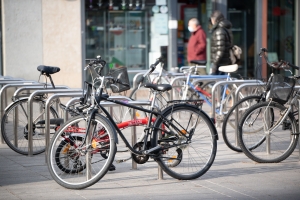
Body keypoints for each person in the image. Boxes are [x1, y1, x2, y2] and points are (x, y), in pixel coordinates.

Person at [210, 10, 233, 75]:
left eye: (212, 19)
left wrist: (214, 64)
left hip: (220, 64)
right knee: (221, 82)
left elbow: (220, 50)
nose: (211, 22)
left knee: (213, 81)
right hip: (224, 62)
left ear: (215, 19)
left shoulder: (219, 31)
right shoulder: (226, 28)